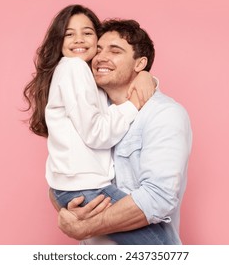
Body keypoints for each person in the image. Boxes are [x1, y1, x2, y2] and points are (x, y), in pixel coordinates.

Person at [23, 4, 175, 244]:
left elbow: (115, 93)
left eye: (87, 33)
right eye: (69, 34)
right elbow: (97, 133)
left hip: (76, 188)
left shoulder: (86, 77)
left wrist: (148, 77)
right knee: (164, 245)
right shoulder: (74, 68)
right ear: (59, 42)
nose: (78, 40)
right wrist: (134, 104)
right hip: (87, 188)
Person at [56, 19, 193, 245]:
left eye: (115, 50)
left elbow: (157, 197)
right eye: (98, 50)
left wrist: (84, 226)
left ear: (140, 64)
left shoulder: (164, 114)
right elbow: (62, 173)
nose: (100, 57)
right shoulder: (88, 113)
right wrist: (65, 211)